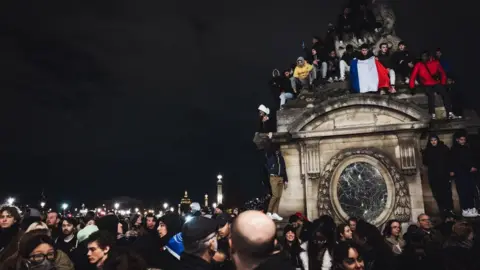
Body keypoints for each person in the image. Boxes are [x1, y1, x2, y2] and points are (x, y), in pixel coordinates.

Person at [409, 51, 457, 119]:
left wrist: (443, 84)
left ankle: (449, 113)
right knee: (431, 96)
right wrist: (412, 87)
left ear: (429, 57)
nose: (423, 58)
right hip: (426, 84)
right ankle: (432, 114)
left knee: (445, 94)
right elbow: (413, 76)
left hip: (436, 83)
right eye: (422, 56)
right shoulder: (419, 64)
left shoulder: (435, 62)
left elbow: (442, 73)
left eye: (425, 56)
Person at [422, 134, 454, 217]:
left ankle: (450, 209)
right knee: (437, 193)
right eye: (431, 140)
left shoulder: (444, 148)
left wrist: (451, 170)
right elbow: (425, 162)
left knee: (447, 192)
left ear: (437, 140)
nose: (433, 142)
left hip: (444, 174)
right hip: (434, 175)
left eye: (435, 140)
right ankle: (442, 210)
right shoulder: (428, 150)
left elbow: (449, 160)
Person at [449, 133, 479, 217]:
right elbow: (458, 161)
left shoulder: (466, 148)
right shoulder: (454, 149)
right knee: (463, 192)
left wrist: (472, 167)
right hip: (460, 173)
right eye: (461, 139)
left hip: (468, 173)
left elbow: (470, 159)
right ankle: (465, 209)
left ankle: (471, 208)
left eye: (464, 140)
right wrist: (469, 167)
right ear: (457, 139)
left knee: (470, 191)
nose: (463, 141)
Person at [265, 145, 288, 221]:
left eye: (278, 150)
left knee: (278, 196)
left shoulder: (281, 158)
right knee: (275, 195)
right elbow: (268, 149)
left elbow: (284, 169)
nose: (277, 151)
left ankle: (274, 213)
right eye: (276, 150)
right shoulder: (271, 156)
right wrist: (270, 139)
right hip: (273, 177)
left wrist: (286, 180)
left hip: (280, 178)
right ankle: (268, 212)